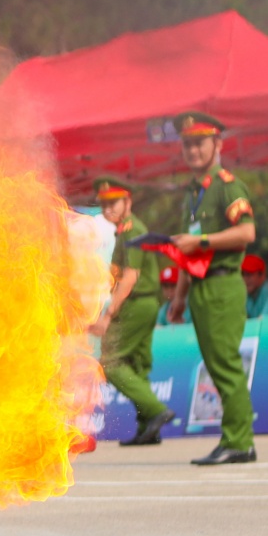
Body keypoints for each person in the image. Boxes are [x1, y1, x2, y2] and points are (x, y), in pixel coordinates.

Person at [164, 112, 257, 465]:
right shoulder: (193, 192)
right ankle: (236, 438)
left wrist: (202, 240)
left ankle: (238, 441)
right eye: (187, 144)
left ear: (218, 144)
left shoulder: (227, 185)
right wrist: (179, 298)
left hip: (222, 285)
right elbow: (188, 252)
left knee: (225, 364)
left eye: (200, 142)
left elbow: (246, 233)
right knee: (216, 366)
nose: (193, 149)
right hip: (201, 288)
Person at [87, 179, 173, 446]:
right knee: (136, 365)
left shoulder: (132, 230)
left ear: (128, 201)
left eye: (113, 202)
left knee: (111, 364)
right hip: (142, 302)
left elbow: (130, 278)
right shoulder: (125, 230)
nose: (107, 208)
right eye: (103, 203)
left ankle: (157, 411)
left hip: (135, 303)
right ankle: (149, 427)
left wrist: (108, 315)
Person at [244, 254, 268, 320]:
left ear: (262, 275)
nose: (245, 279)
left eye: (249, 274)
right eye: (243, 274)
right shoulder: (245, 293)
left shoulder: (266, 290)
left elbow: (262, 321)